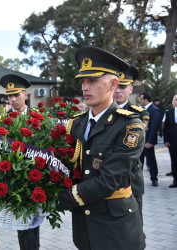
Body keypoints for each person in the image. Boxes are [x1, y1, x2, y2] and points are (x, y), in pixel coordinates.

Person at [56, 46, 145, 250]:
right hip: (84, 226)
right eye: (83, 81)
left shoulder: (129, 126)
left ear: (114, 84)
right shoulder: (77, 123)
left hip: (115, 228)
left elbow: (108, 181)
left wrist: (54, 200)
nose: (85, 88)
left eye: (93, 81)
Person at [1, 74, 39, 250]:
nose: (13, 99)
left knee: (33, 224)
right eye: (10, 96)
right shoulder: (2, 121)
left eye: (17, 95)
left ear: (26, 95)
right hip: (14, 177)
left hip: (36, 176)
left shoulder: (38, 118)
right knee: (22, 223)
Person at [113, 64, 149, 220]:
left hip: (130, 181)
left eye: (123, 86)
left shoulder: (139, 114)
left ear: (131, 89)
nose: (117, 90)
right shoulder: (97, 112)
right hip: (103, 186)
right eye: (114, 86)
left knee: (134, 229)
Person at [139, 92, 161, 187]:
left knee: (151, 160)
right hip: (139, 141)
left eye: (141, 99)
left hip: (148, 140)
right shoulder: (140, 110)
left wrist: (150, 141)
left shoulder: (154, 110)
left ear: (146, 100)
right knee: (139, 161)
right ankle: (138, 179)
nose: (140, 100)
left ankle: (154, 179)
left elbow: (154, 127)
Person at [163, 94, 177, 188]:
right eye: (176, 100)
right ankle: (175, 180)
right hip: (173, 140)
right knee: (174, 160)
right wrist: (166, 140)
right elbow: (165, 128)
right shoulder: (169, 112)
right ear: (173, 102)